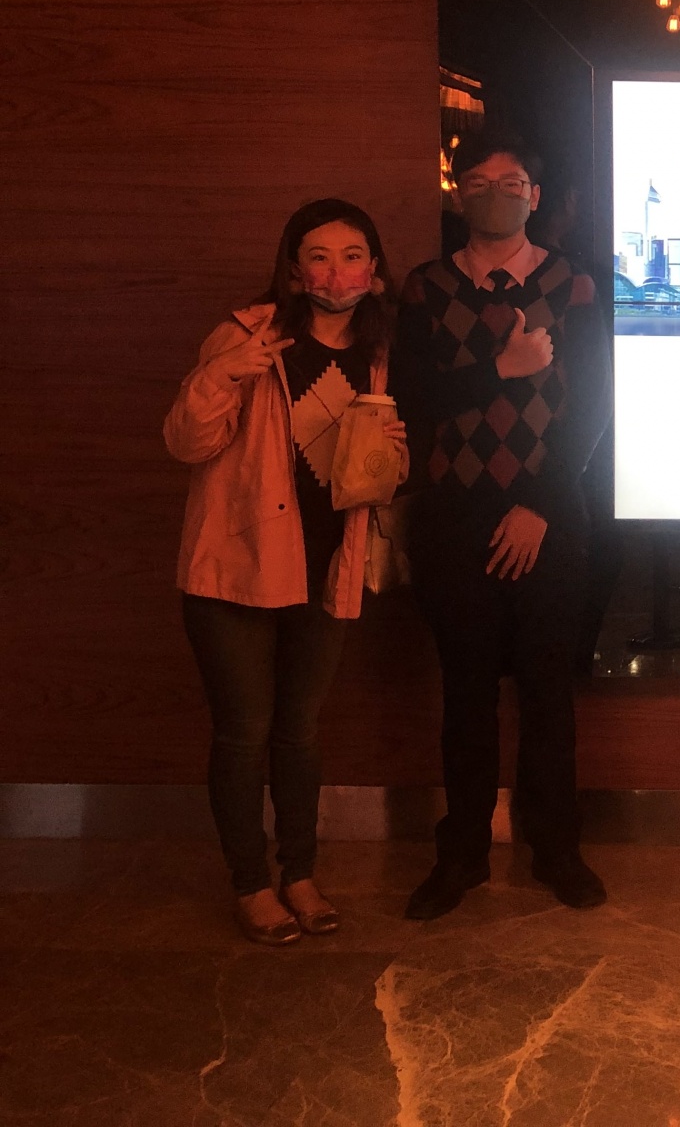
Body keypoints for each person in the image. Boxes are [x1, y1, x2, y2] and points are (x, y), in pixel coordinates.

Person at [164, 199, 407, 944]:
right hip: (235, 568)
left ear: (374, 270)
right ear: (295, 271)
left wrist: (391, 455)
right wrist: (220, 375)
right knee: (244, 733)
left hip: (327, 567)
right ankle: (250, 884)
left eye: (353, 256)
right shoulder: (248, 337)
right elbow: (185, 443)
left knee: (300, 731)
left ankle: (299, 873)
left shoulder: (380, 351)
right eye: (319, 257)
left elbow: (375, 478)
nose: (337, 273)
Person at [394, 130, 612, 919]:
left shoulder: (573, 284)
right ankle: (461, 856)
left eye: (512, 183)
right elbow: (412, 399)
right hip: (452, 518)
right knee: (466, 694)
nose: (496, 195)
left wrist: (539, 505)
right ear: (458, 195)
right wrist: (501, 370)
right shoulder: (425, 288)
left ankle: (556, 850)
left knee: (550, 693)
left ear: (536, 196)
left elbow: (593, 405)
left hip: (550, 514)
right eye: (479, 183)